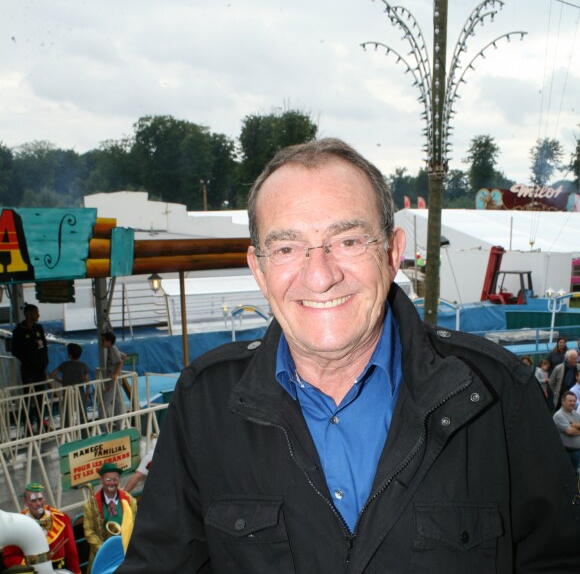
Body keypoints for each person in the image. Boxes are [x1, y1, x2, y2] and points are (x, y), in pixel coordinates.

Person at [118, 138, 580, 573]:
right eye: (286, 247)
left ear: (393, 253)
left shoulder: (498, 396)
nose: (319, 276)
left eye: (348, 241)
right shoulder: (205, 404)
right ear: (258, 268)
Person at [1, 482, 80, 573]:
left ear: (44, 499)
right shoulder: (18, 525)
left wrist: (76, 572)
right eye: (33, 501)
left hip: (60, 569)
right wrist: (34, 561)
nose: (38, 503)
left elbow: (72, 552)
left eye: (40, 499)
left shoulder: (61, 519)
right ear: (25, 502)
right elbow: (9, 557)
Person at [83, 462, 137, 573]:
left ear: (119, 480)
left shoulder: (130, 500)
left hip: (126, 554)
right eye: (108, 480)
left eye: (115, 479)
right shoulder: (90, 504)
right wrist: (105, 551)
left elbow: (136, 526)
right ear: (101, 480)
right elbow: (89, 532)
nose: (112, 483)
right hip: (102, 559)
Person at [11, 303, 49, 432]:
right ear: (29, 314)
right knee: (28, 397)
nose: (38, 315)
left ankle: (41, 424)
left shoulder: (39, 328)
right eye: (36, 312)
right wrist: (28, 360)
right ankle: (28, 426)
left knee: (40, 397)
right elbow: (15, 350)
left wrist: (44, 362)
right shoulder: (19, 330)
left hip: (40, 369)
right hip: (28, 370)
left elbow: (44, 346)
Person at [50, 343, 91, 429]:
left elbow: (53, 374)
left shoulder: (64, 365)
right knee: (82, 414)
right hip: (80, 392)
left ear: (70, 354)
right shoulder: (83, 366)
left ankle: (67, 435)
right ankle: (85, 435)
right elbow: (87, 382)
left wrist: (60, 381)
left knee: (67, 415)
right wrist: (87, 395)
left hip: (68, 392)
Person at [99, 332, 125, 427]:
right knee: (118, 403)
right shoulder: (113, 349)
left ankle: (102, 426)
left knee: (104, 402)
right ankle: (120, 424)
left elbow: (120, 361)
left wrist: (115, 374)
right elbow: (124, 356)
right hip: (116, 381)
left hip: (113, 381)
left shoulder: (113, 349)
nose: (101, 342)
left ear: (109, 341)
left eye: (103, 340)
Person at [553, 391, 580, 472]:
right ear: (563, 401)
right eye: (570, 401)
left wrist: (575, 425)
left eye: (574, 401)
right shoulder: (559, 415)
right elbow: (570, 432)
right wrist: (577, 426)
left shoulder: (575, 414)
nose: (572, 403)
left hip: (577, 452)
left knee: (576, 475)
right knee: (569, 474)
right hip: (568, 453)